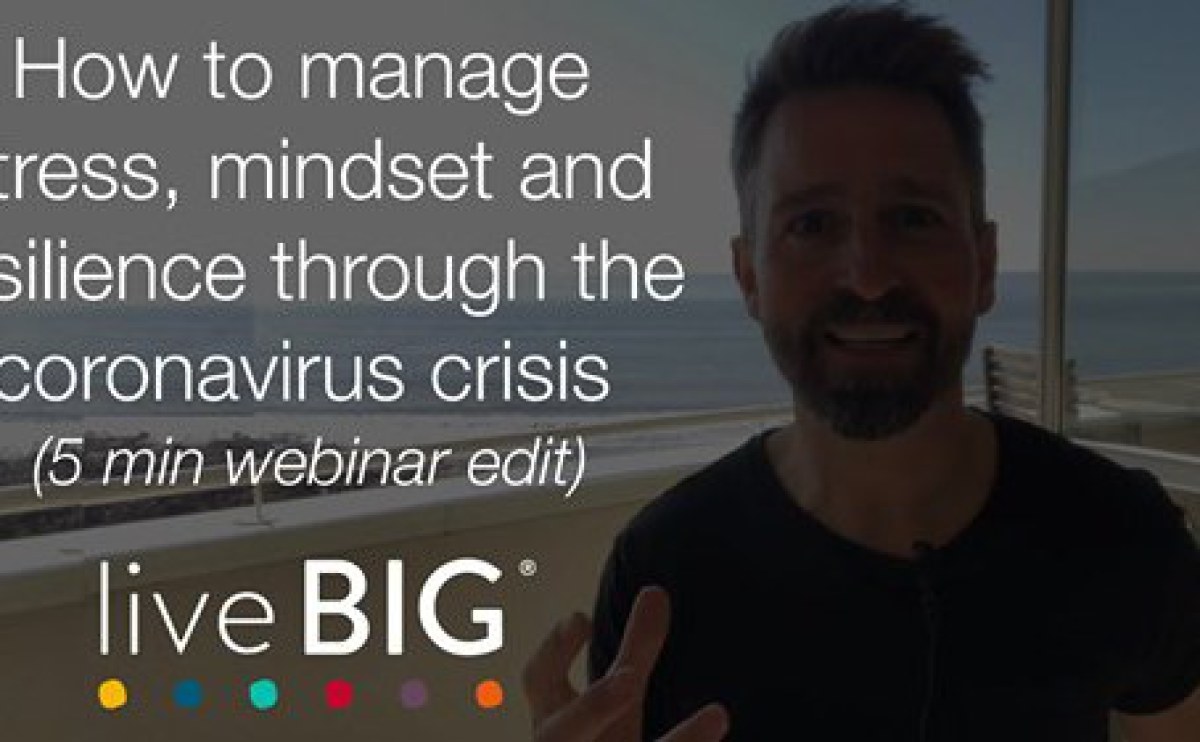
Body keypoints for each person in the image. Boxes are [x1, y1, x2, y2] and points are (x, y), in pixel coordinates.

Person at [522, 4, 1200, 740]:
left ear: (985, 265)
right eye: (811, 224)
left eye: (913, 218)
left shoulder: (1123, 538)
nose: (869, 276)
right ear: (749, 276)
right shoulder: (665, 575)